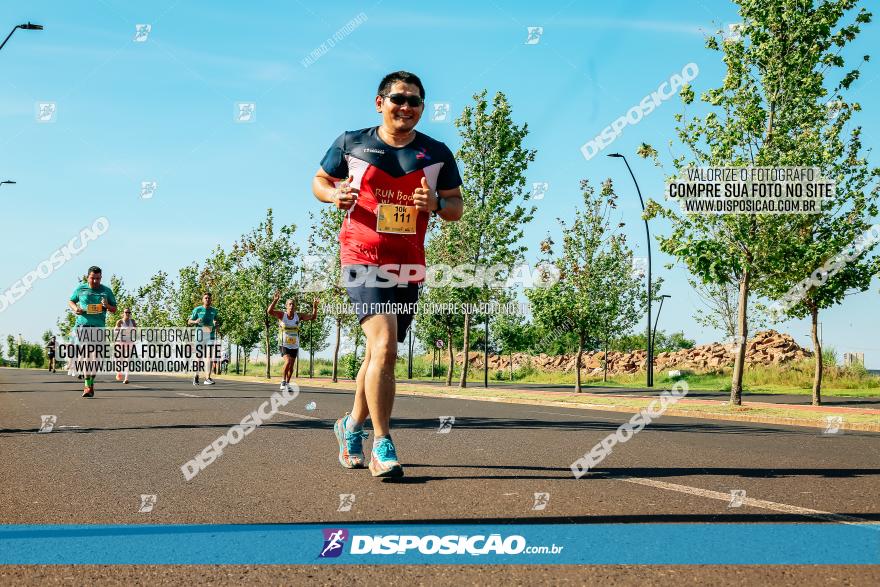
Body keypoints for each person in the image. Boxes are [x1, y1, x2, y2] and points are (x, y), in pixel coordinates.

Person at [312, 71, 463, 478]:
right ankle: (383, 443)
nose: (406, 107)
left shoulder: (437, 153)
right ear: (380, 102)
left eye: (415, 101)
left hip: (408, 263)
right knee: (385, 348)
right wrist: (334, 194)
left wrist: (434, 203)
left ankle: (351, 426)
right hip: (361, 256)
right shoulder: (352, 143)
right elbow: (320, 180)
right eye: (398, 99)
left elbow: (455, 207)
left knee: (380, 354)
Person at [68, 266, 117, 397]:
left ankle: (90, 382)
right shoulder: (81, 289)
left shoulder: (106, 291)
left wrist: (107, 306)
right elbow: (71, 301)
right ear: (87, 277)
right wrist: (75, 308)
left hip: (99, 327)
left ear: (101, 277)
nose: (95, 281)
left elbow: (114, 309)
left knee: (96, 359)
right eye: (92, 278)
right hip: (83, 326)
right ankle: (87, 386)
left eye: (98, 278)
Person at [267, 291, 319, 391]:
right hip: (284, 343)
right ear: (286, 306)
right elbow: (269, 311)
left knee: (291, 366)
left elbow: (313, 317)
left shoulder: (298, 316)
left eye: (293, 304)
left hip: (294, 344)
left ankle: (288, 383)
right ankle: (283, 381)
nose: (291, 305)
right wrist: (275, 300)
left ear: (295, 307)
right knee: (288, 361)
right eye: (290, 304)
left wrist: (315, 307)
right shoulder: (282, 315)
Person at [187, 292, 220, 385]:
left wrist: (216, 324)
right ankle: (196, 376)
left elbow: (215, 320)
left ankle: (207, 378)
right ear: (202, 299)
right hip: (200, 335)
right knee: (199, 357)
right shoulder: (197, 310)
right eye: (205, 298)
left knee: (209, 356)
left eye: (209, 298)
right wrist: (195, 321)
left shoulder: (214, 311)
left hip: (210, 335)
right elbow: (189, 321)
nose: (207, 299)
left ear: (211, 300)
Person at [113, 308, 137, 384]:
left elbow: (135, 330)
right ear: (123, 313)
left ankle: (126, 378)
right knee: (120, 359)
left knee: (128, 359)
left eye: (129, 312)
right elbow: (115, 332)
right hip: (120, 341)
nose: (128, 313)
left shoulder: (132, 321)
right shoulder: (119, 322)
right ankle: (119, 372)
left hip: (129, 342)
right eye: (126, 312)